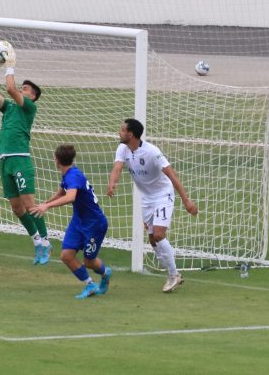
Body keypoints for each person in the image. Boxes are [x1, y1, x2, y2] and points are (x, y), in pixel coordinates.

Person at [107, 118, 198, 293]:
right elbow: (117, 168)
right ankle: (168, 262)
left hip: (163, 194)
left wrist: (186, 201)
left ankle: (174, 275)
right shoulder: (122, 148)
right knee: (152, 239)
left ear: (131, 134)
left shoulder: (152, 152)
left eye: (122, 130)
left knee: (158, 234)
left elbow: (172, 176)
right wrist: (112, 183)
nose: (119, 132)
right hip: (147, 198)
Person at [0, 43, 51, 265]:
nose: (22, 89)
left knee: (30, 205)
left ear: (33, 97)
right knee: (16, 208)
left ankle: (45, 241)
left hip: (21, 160)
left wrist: (10, 65)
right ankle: (36, 242)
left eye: (26, 89)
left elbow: (10, 88)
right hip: (5, 161)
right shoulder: (9, 108)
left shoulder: (29, 109)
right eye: (23, 87)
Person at [31, 145, 112, 299]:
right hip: (78, 221)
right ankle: (90, 285)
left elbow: (70, 197)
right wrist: (44, 203)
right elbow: (62, 192)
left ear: (57, 159)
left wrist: (47, 206)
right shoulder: (68, 174)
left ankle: (105, 272)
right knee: (66, 255)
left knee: (89, 262)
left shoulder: (73, 176)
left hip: (94, 224)